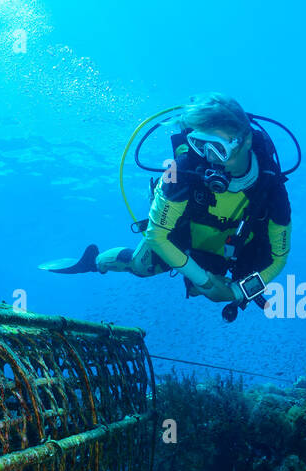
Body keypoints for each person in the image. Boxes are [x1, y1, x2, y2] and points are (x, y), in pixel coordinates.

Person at [89, 94, 292, 316]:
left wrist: (235, 292)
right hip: (178, 239)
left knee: (198, 289)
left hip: (226, 253)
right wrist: (206, 283)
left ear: (247, 141)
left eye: (218, 148)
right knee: (141, 267)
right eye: (200, 145)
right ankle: (96, 261)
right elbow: (156, 236)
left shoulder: (272, 188)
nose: (210, 158)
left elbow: (279, 258)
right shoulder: (181, 170)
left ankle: (200, 281)